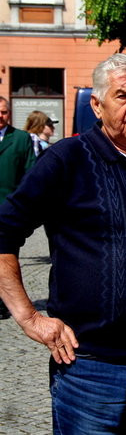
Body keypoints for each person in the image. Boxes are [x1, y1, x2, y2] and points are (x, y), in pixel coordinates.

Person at [0, 54, 126, 433]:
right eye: (122, 95)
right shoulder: (67, 160)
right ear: (97, 105)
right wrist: (30, 318)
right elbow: (4, 232)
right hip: (89, 366)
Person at [0, 96, 36, 320]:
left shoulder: (21, 138)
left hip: (7, 210)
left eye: (3, 112)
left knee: (6, 257)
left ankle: (5, 303)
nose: (0, 116)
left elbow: (29, 174)